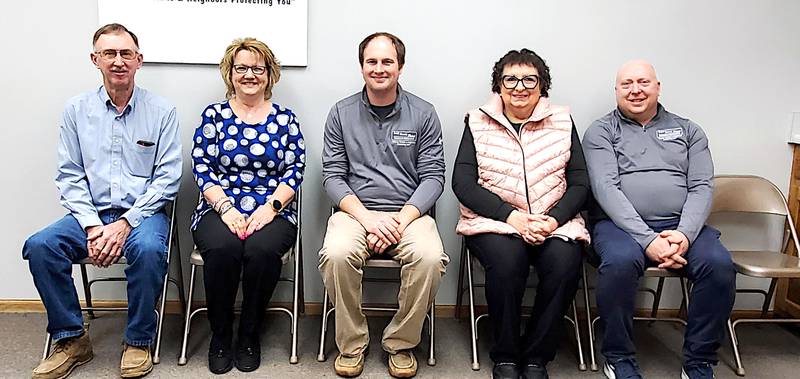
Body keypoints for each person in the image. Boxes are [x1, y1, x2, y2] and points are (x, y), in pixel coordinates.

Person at [22, 23, 182, 379]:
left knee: (151, 250)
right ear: (95, 59)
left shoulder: (162, 111)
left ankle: (138, 340)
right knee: (40, 246)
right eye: (109, 53)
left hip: (143, 214)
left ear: (139, 60)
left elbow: (168, 178)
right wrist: (95, 226)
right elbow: (69, 175)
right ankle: (72, 338)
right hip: (90, 215)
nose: (118, 61)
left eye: (126, 53)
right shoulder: (76, 110)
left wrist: (125, 224)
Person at [583, 60, 736, 379]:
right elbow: (605, 189)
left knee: (719, 265)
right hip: (618, 226)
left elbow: (701, 186)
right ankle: (619, 357)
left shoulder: (689, 130)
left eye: (643, 82)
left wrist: (684, 235)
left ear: (657, 87)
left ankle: (699, 361)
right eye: (626, 84)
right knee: (621, 263)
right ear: (616, 91)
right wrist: (647, 239)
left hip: (683, 225)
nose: (635, 90)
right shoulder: (601, 130)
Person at [452, 49, 590, 379]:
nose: (519, 87)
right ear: (498, 85)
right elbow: (463, 182)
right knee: (507, 262)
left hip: (553, 222)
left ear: (543, 85)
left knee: (565, 263)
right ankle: (506, 355)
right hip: (494, 223)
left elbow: (581, 183)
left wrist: (553, 219)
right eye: (510, 79)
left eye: (530, 79)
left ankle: (536, 356)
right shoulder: (477, 121)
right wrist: (511, 217)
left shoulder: (562, 121)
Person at [318, 32, 449, 378]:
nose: (379, 68)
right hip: (355, 212)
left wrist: (399, 221)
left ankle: (400, 343)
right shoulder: (340, 113)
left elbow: (434, 176)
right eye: (371, 62)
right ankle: (352, 343)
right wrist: (368, 220)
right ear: (361, 67)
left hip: (409, 213)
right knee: (336, 253)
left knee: (430, 258)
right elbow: (332, 175)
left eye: (387, 61)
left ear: (400, 67)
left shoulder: (423, 113)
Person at [190, 37, 305, 374]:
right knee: (224, 249)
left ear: (269, 75)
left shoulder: (285, 119)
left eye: (258, 68)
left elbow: (295, 169)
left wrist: (270, 208)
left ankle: (250, 334)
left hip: (273, 208)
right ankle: (221, 335)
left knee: (261, 251)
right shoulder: (214, 115)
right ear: (231, 72)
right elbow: (201, 166)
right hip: (217, 207)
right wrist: (226, 208)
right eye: (242, 68)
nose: (250, 74)